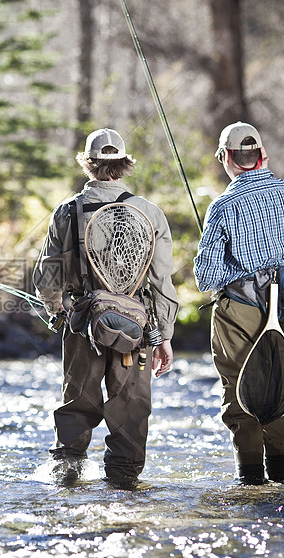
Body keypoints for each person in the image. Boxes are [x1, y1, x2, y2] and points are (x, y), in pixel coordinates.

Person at [33, 127, 179, 489]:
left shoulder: (66, 212)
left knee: (77, 401)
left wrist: (56, 312)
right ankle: (124, 485)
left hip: (83, 324)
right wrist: (164, 336)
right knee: (131, 406)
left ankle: (67, 478)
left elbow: (46, 277)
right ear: (124, 165)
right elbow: (162, 283)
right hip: (138, 329)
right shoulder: (150, 212)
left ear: (88, 164)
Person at [193, 121, 284, 485]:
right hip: (283, 304)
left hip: (239, 308)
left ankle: (252, 482)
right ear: (261, 155)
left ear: (226, 157)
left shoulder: (223, 206)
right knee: (276, 382)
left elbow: (206, 278)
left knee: (240, 391)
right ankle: (282, 481)